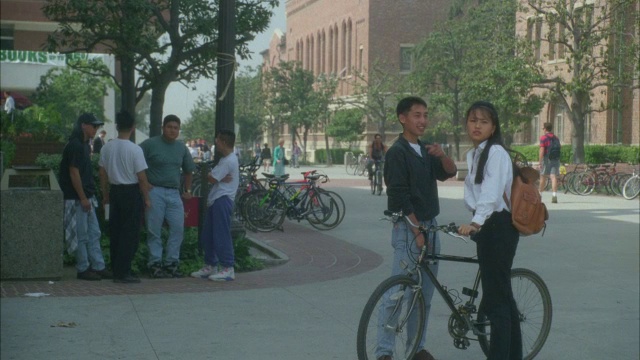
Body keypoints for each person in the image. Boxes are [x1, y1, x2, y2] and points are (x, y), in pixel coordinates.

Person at [380, 96, 457, 360]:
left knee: (424, 293)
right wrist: (416, 231)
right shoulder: (397, 153)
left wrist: (443, 155)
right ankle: (384, 351)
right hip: (409, 228)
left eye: (425, 115)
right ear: (403, 118)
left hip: (430, 227)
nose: (423, 120)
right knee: (397, 294)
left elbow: (449, 172)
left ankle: (416, 348)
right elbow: (399, 197)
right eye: (417, 115)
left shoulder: (425, 150)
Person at [458, 101, 522, 360]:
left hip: (498, 227)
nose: (477, 125)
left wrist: (476, 222)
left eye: (483, 121)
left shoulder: (496, 153)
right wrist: (475, 221)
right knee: (502, 298)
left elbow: (491, 193)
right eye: (473, 120)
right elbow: (473, 195)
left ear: (493, 127)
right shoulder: (473, 154)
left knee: (496, 303)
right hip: (487, 226)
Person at [140, 115, 196, 278]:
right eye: (169, 127)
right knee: (154, 230)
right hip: (154, 191)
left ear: (179, 130)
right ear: (163, 128)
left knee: (178, 228)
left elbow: (188, 170)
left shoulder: (181, 148)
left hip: (174, 193)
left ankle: (172, 263)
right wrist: (144, 184)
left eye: (176, 128)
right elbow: (136, 163)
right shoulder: (150, 144)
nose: (172, 130)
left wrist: (188, 190)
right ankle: (155, 263)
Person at [59, 113, 113, 281]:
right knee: (82, 234)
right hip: (78, 198)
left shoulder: (82, 144)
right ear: (83, 125)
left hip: (84, 196)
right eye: (93, 126)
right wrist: (82, 197)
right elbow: (73, 172)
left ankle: (97, 266)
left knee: (93, 233)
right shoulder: (76, 145)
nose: (96, 129)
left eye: (96, 126)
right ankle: (83, 268)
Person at [99, 111, 151, 283]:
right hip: (131, 192)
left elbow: (102, 172)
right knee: (130, 233)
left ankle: (116, 269)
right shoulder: (135, 149)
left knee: (116, 231)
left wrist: (105, 194)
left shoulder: (107, 147)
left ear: (116, 126)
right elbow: (142, 178)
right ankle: (124, 271)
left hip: (114, 192)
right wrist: (146, 197)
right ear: (133, 128)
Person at [190, 129, 239, 281]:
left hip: (222, 200)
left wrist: (214, 176)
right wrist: (216, 177)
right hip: (216, 199)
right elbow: (213, 177)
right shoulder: (226, 159)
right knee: (209, 234)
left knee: (221, 234)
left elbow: (211, 178)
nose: (215, 143)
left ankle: (228, 267)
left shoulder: (229, 160)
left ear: (224, 142)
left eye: (217, 140)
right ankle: (210, 265)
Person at [538, 122, 560, 203]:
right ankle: (554, 195)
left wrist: (540, 161)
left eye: (543, 128)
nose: (543, 130)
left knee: (543, 176)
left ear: (545, 129)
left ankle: (540, 195)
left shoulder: (543, 138)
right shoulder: (556, 138)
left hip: (546, 159)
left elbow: (542, 150)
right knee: (553, 177)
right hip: (555, 159)